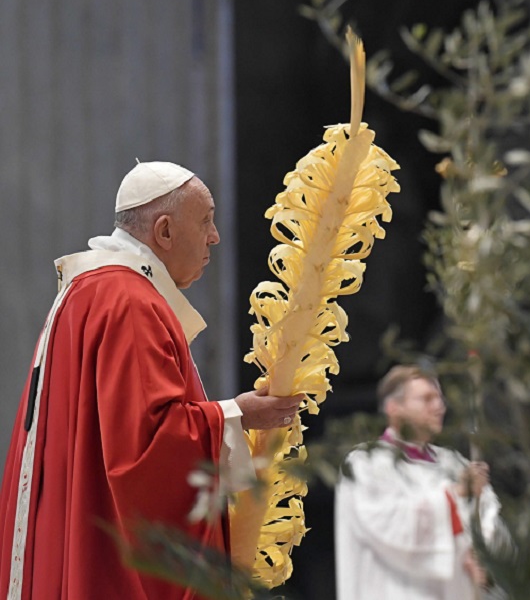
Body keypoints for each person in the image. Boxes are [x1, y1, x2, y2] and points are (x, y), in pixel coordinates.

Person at [0, 161, 303, 599]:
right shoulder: (128, 301)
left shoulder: (92, 289)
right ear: (164, 231)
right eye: (205, 221)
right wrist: (238, 415)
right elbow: (144, 446)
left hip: (74, 525)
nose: (214, 236)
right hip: (107, 553)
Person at [335, 364, 502, 600]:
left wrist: (482, 551)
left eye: (440, 399)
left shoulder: (454, 463)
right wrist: (454, 495)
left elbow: (488, 513)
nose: (439, 406)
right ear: (394, 408)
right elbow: (389, 525)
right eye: (427, 399)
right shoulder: (366, 464)